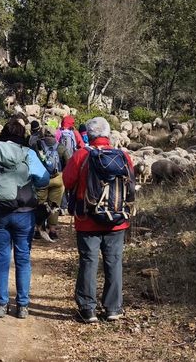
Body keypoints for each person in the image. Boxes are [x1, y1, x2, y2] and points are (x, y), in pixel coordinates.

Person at [62, 116, 135, 323]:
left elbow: (67, 181)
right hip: (117, 220)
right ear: (108, 134)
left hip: (87, 219)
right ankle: (113, 308)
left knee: (88, 261)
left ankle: (88, 309)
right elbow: (130, 183)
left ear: (90, 134)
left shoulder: (82, 155)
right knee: (114, 262)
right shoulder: (123, 155)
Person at [0, 116, 50, 319]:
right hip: (24, 213)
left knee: (1, 257)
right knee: (23, 259)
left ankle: (1, 304)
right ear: (23, 136)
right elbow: (44, 179)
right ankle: (22, 305)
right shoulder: (28, 153)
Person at [29, 121, 66, 242]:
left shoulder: (36, 145)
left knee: (39, 203)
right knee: (54, 204)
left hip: (41, 178)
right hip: (57, 179)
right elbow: (68, 162)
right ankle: (53, 231)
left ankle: (37, 229)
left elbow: (30, 161)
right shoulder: (60, 146)